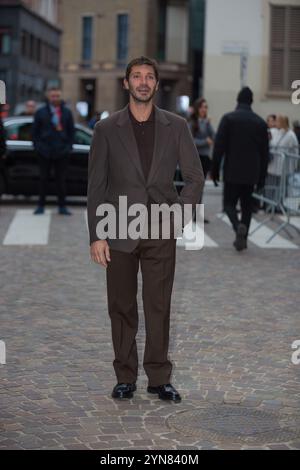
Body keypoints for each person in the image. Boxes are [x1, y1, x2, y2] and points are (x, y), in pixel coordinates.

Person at [87, 56, 204, 402]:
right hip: (118, 228)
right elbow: (96, 186)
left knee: (158, 306)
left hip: (160, 231)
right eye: (136, 76)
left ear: (155, 84)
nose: (142, 82)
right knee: (121, 307)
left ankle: (158, 377)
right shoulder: (106, 129)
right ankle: (125, 376)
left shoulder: (176, 126)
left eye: (148, 77)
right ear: (126, 83)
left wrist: (179, 215)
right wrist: (96, 234)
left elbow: (195, 177)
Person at [211, 87, 269, 251]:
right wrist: (262, 177)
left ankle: (237, 228)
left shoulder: (228, 119)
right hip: (252, 173)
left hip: (232, 171)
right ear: (251, 101)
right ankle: (242, 237)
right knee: (247, 207)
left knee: (229, 204)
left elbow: (219, 148)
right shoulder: (260, 123)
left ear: (237, 100)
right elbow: (265, 153)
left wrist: (215, 170)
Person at [32, 87, 75, 215]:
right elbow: (35, 132)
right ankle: (40, 206)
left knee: (61, 180)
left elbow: (71, 131)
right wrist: (38, 147)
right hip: (44, 151)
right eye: (53, 96)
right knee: (43, 179)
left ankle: (62, 206)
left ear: (60, 97)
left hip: (62, 152)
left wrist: (68, 147)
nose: (55, 98)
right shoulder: (40, 112)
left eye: (57, 96)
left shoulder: (67, 112)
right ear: (48, 97)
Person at [189, 98, 215, 223]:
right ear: (197, 108)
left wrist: (209, 124)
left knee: (200, 187)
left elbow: (214, 136)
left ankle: (197, 214)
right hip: (195, 158)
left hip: (205, 158)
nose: (204, 109)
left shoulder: (206, 122)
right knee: (194, 187)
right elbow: (191, 141)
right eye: (202, 107)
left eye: (206, 107)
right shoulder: (192, 123)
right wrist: (205, 141)